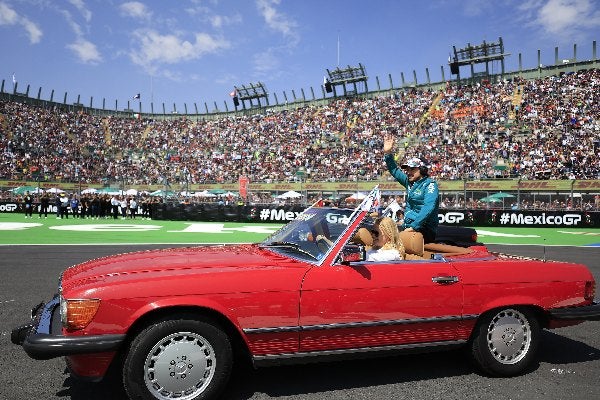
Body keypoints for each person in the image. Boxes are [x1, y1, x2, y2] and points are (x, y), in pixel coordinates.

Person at [383, 134, 439, 243]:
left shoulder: (430, 185)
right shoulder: (409, 182)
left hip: (423, 229)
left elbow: (428, 207)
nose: (408, 172)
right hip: (409, 227)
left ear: (422, 169)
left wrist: (414, 226)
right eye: (407, 169)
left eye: (412, 169)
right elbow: (394, 171)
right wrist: (388, 153)